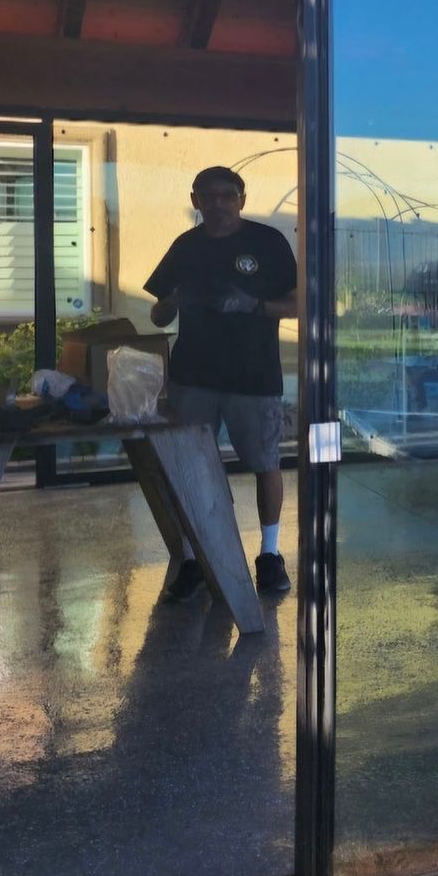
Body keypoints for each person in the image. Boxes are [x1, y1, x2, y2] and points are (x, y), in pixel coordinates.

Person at [146, 166, 298, 599]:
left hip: (254, 376)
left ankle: (269, 555)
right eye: (208, 197)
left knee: (265, 463)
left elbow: (299, 303)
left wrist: (254, 304)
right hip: (192, 378)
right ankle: (194, 558)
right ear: (195, 201)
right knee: (190, 468)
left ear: (242, 199)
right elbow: (158, 315)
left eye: (227, 196)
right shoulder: (185, 247)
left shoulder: (267, 242)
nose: (218, 204)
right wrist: (170, 303)